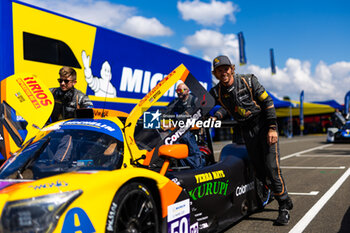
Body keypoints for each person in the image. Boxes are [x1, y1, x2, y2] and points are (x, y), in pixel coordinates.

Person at [210, 55, 293, 225]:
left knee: (272, 168)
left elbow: (268, 102)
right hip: (247, 132)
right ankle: (285, 197)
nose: (223, 72)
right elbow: (212, 105)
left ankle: (283, 206)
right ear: (215, 73)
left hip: (264, 127)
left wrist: (272, 128)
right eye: (219, 70)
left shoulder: (249, 80)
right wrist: (216, 114)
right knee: (261, 172)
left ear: (232, 68)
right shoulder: (218, 91)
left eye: (226, 68)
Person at [163, 83, 205, 169]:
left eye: (181, 90)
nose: (178, 93)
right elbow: (166, 112)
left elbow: (188, 114)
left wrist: (172, 124)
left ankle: (199, 168)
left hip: (194, 130)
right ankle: (186, 167)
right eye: (177, 91)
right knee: (177, 146)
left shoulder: (194, 100)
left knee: (187, 139)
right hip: (182, 129)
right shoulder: (176, 102)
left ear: (187, 91)